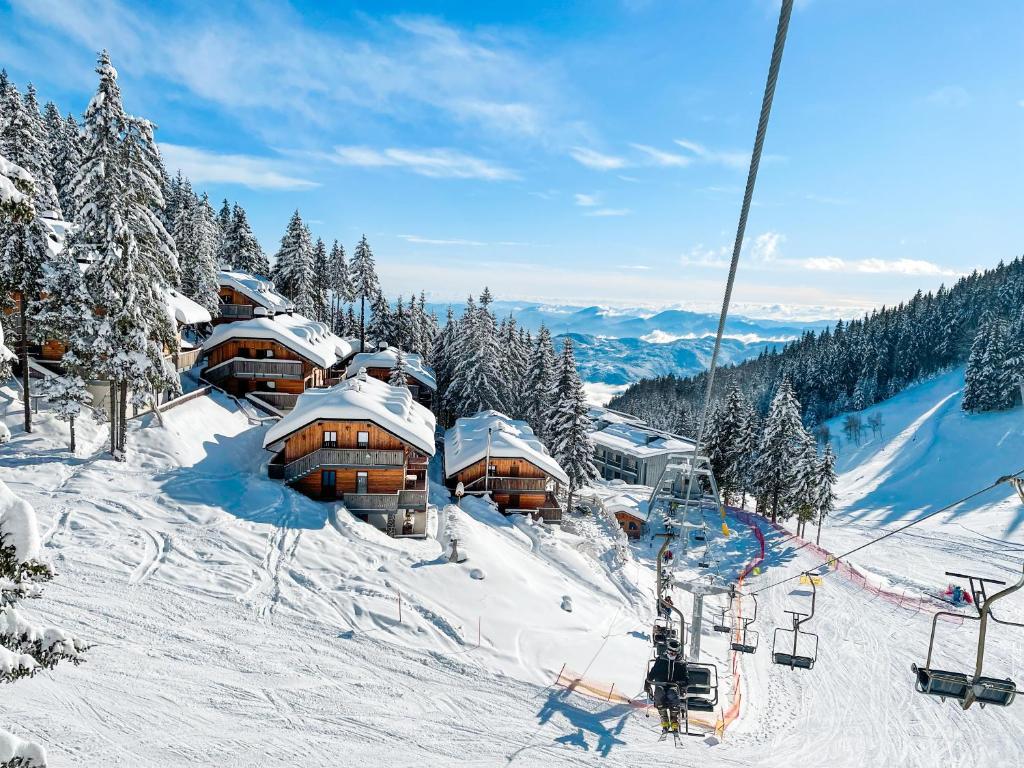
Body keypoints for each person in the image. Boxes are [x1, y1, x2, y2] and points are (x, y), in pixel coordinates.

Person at [645, 638, 688, 733]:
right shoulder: (661, 660)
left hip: (674, 685)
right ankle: (664, 719)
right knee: (659, 692)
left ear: (677, 653)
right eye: (670, 652)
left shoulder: (681, 663)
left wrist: (680, 683)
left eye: (674, 653)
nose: (671, 654)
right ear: (667, 650)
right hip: (661, 684)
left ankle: (674, 719)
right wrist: (648, 682)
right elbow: (653, 672)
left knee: (672, 693)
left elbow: (685, 679)